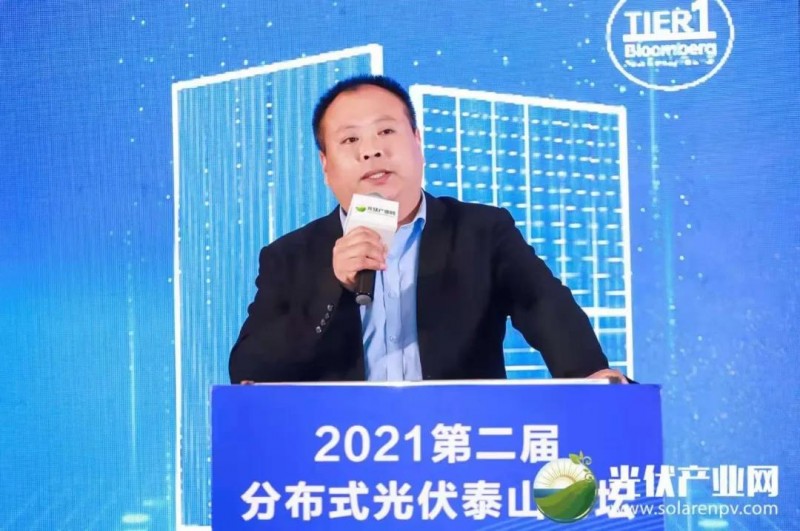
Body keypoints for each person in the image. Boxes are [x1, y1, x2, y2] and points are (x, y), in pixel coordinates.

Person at [229, 74, 628, 384]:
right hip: (337, 451)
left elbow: (542, 306)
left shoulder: (482, 231)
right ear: (325, 165)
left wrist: (589, 375)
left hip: (452, 442)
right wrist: (332, 286)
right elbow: (250, 369)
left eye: (386, 131)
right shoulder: (291, 256)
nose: (371, 150)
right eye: (350, 139)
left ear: (417, 142)